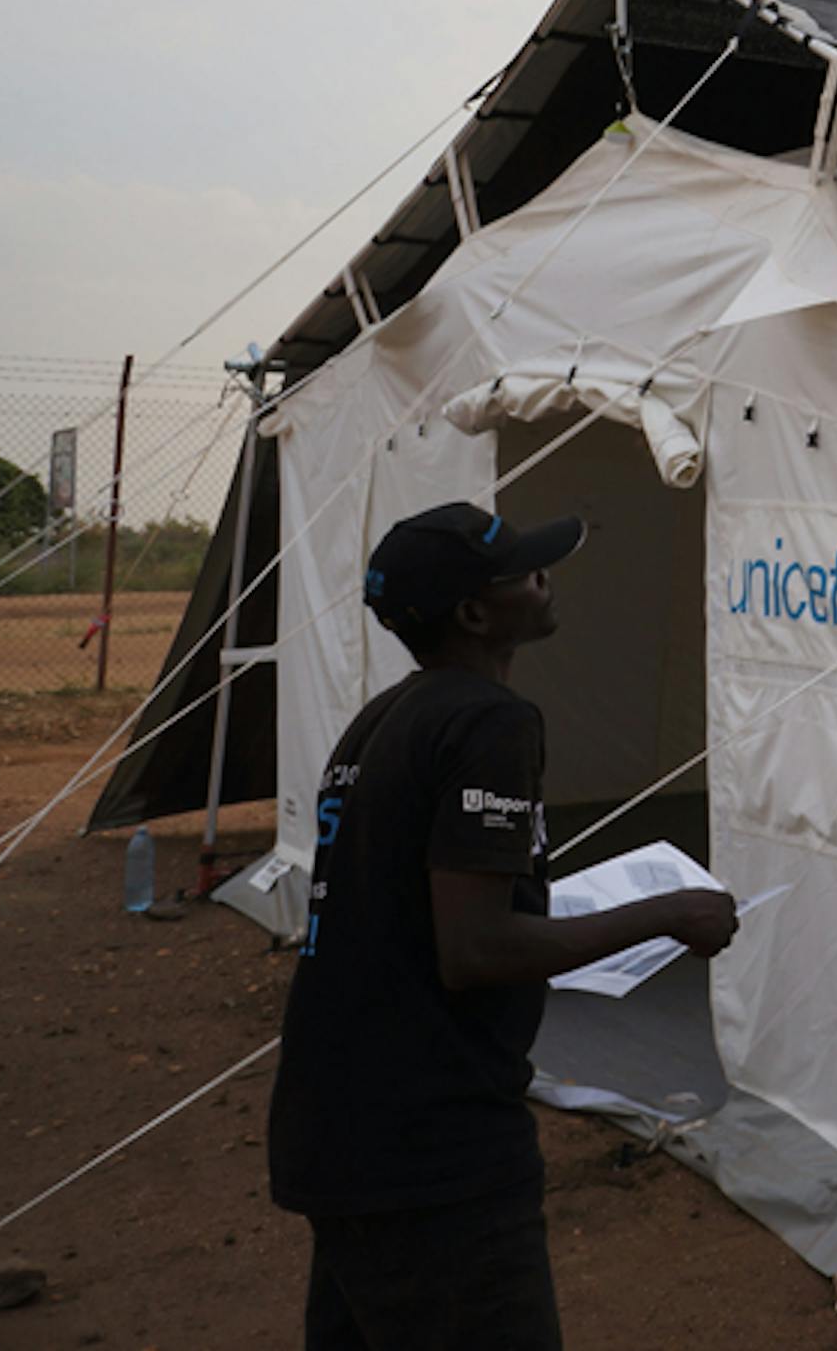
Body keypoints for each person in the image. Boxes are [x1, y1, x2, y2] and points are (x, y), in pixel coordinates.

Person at [268, 502, 742, 1350]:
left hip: (341, 1123)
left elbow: (428, 914)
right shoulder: (491, 722)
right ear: (476, 614)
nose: (545, 578)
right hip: (432, 1148)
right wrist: (672, 913)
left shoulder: (384, 719)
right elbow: (477, 949)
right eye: (523, 571)